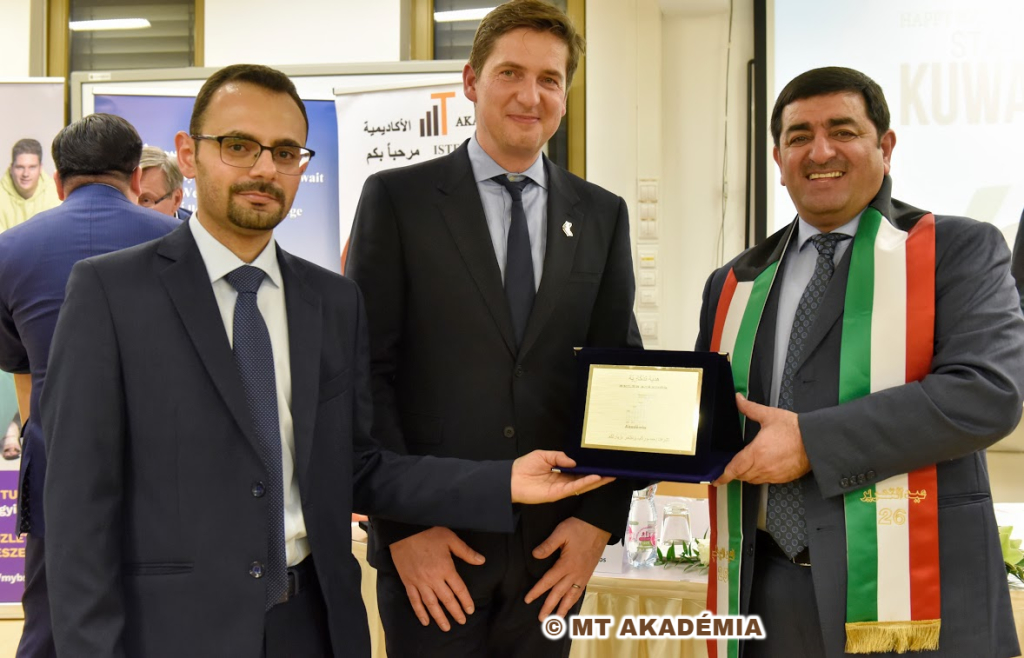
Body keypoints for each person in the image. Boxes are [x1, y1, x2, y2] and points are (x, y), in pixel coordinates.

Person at [41, 63, 609, 658]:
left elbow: (360, 465)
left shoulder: (332, 301)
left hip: (314, 624)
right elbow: (79, 507)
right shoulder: (111, 293)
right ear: (189, 153)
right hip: (173, 633)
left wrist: (502, 481)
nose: (265, 168)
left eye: (285, 152)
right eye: (239, 146)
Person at [698, 66, 1024, 658]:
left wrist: (811, 444)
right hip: (765, 594)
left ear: (886, 146)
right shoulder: (734, 282)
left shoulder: (956, 250)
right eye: (799, 137)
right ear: (778, 159)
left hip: (919, 596)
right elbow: (706, 415)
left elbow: (986, 394)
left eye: (842, 131)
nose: (820, 151)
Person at [345, 2, 641, 655]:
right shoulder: (397, 200)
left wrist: (597, 524)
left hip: (553, 555)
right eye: (511, 73)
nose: (530, 96)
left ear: (566, 95)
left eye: (550, 79)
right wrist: (401, 530)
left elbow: (617, 377)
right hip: (434, 549)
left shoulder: (602, 215)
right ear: (471, 81)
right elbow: (364, 377)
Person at [0, 114, 179, 658]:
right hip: (166, 467)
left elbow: (21, 369)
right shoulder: (183, 243)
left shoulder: (10, 250)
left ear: (57, 181)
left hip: (56, 463)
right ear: (135, 176)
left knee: (53, 621)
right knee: (165, 621)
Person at [0, 138, 60, 232]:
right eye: (20, 167)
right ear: (11, 168)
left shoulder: (56, 195)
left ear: (40, 168)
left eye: (32, 167)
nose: (26, 174)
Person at [139, 145, 192, 220]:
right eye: (127, 199)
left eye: (146, 200)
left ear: (176, 200)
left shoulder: (196, 227)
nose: (132, 210)